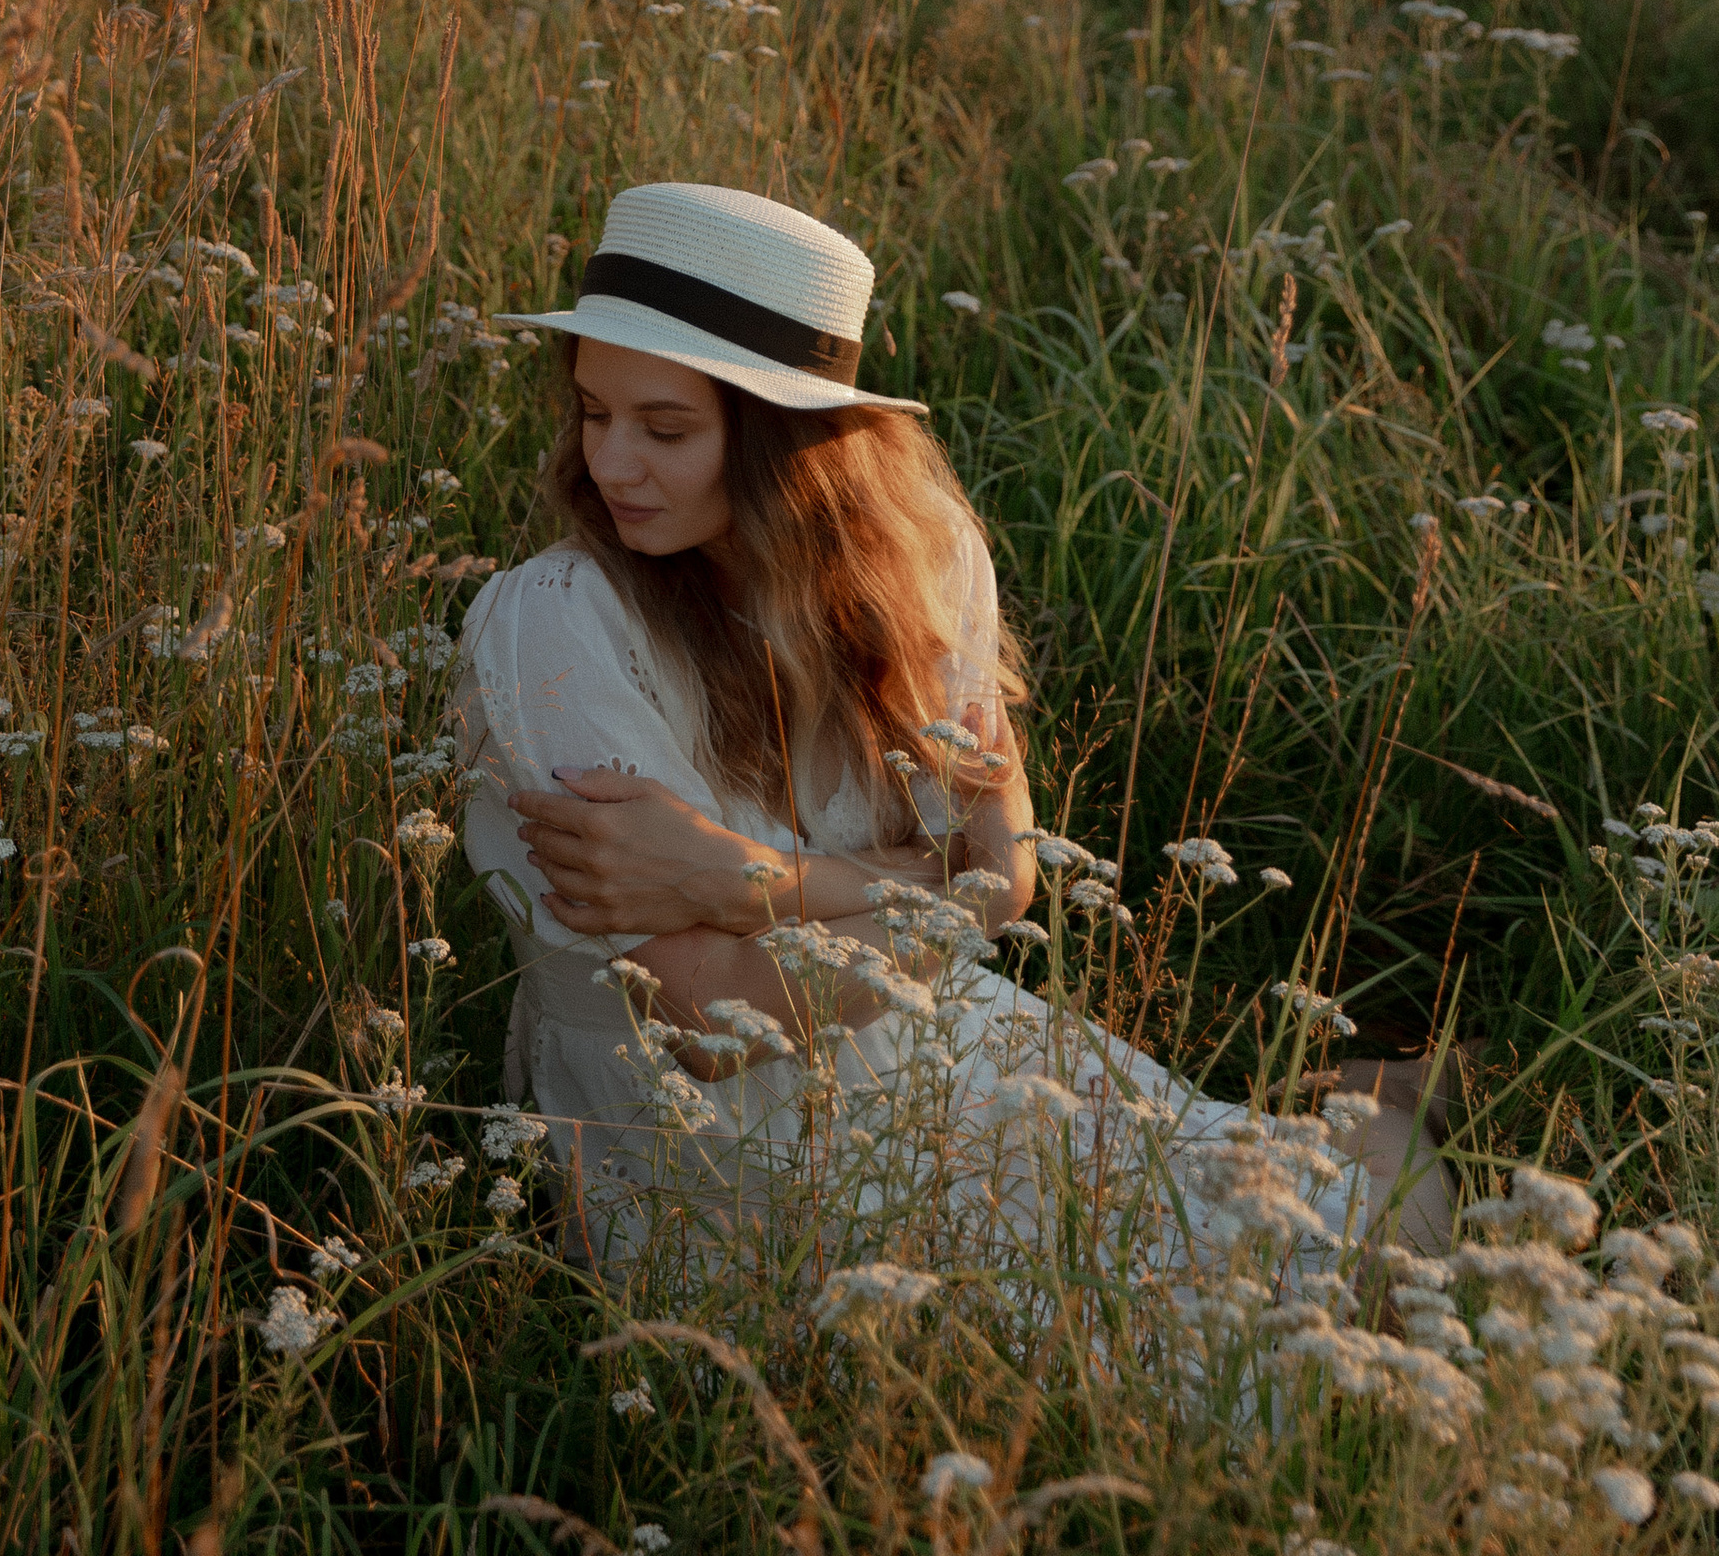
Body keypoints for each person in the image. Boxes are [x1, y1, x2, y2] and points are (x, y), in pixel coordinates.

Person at [453, 178, 1449, 1294]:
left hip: (935, 1052)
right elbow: (713, 1024)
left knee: (1363, 1255)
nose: (610, 464)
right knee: (1242, 1332)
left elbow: (1009, 877)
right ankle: (1371, 1098)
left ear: (790, 444)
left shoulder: (923, 569)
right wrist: (938, 886)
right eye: (594, 412)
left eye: (665, 427)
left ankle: (1377, 1098)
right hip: (702, 1147)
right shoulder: (554, 622)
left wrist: (746, 879)